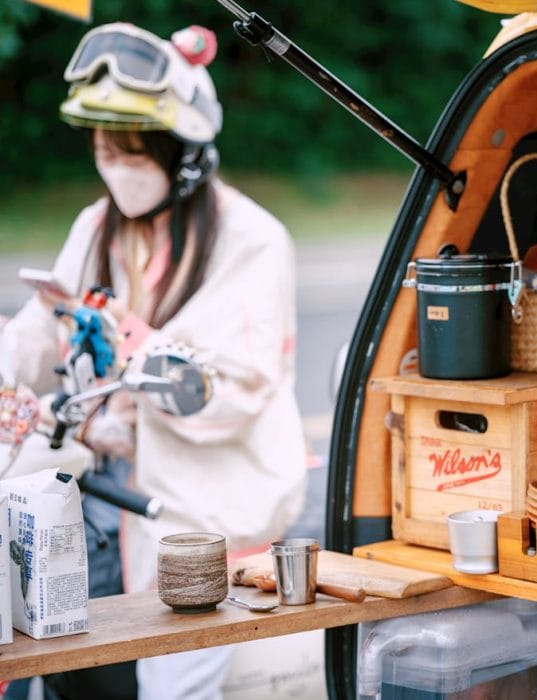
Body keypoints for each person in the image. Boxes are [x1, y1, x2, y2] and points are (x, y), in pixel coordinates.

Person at [0, 22, 308, 700]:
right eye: (106, 149)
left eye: (134, 152)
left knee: (176, 681)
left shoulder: (252, 240)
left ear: (182, 151)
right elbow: (38, 336)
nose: (116, 167)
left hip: (203, 500)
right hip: (109, 489)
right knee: (55, 654)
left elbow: (227, 391)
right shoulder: (95, 224)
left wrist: (130, 340)